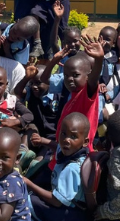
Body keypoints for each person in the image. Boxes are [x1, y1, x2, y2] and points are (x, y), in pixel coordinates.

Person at [23, 113, 90, 221]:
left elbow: (56, 201)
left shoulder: (72, 168)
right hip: (63, 203)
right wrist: (43, 141)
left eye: (73, 136)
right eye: (63, 134)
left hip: (68, 213)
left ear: (85, 141)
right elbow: (57, 146)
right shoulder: (72, 150)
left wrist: (29, 183)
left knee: (28, 200)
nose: (66, 140)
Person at [43, 35, 104, 171]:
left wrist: (99, 59)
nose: (70, 79)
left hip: (76, 155)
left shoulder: (87, 94)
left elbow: (94, 81)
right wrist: (54, 60)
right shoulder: (73, 94)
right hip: (64, 150)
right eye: (66, 76)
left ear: (87, 76)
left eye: (75, 75)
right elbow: (44, 79)